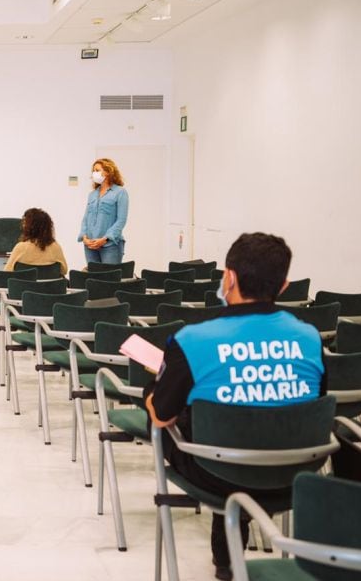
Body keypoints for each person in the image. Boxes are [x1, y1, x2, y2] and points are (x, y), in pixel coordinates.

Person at [143, 233, 325, 581]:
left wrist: (151, 390)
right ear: (284, 285)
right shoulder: (311, 338)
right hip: (293, 473)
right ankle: (227, 561)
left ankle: (226, 563)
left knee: (184, 419)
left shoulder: (193, 340)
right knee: (240, 424)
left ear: (229, 277)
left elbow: (161, 415)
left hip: (215, 473)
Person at [77, 157, 129, 264]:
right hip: (90, 246)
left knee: (109, 279)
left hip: (110, 246)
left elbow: (121, 220)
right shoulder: (92, 195)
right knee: (93, 279)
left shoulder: (120, 192)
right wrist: (84, 237)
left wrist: (104, 239)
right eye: (93, 171)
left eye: (97, 170)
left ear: (108, 172)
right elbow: (86, 218)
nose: (94, 173)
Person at [4, 208, 68, 275]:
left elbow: (7, 272)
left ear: (28, 227)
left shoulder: (20, 248)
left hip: (25, 285)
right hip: (49, 285)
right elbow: (64, 271)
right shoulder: (55, 247)